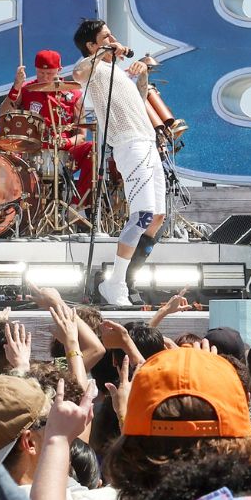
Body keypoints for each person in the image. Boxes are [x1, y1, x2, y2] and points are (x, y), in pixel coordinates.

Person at [72, 20, 164, 306]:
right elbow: (76, 73)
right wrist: (105, 51)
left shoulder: (114, 71)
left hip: (147, 143)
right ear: (92, 45)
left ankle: (125, 280)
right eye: (105, 36)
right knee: (144, 215)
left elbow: (137, 103)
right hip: (129, 145)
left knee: (157, 218)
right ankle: (116, 283)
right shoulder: (94, 68)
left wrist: (143, 75)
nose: (113, 38)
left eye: (112, 34)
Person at [5, 48, 97, 199]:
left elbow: (81, 135)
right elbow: (5, 111)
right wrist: (16, 85)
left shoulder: (73, 94)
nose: (45, 77)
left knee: (92, 149)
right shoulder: (26, 89)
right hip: (32, 153)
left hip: (65, 154)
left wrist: (66, 141)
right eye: (41, 73)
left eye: (50, 73)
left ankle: (79, 203)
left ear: (59, 70)